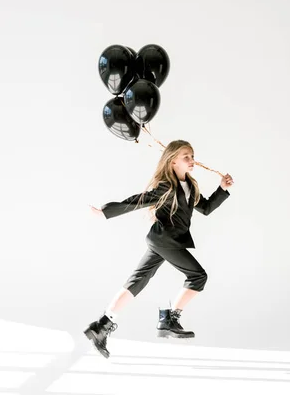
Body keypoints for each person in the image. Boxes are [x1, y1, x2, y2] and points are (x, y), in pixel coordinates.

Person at [83, 139, 233, 358]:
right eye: (186, 157)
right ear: (173, 162)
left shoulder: (190, 186)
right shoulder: (166, 186)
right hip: (165, 240)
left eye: (192, 156)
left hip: (162, 241)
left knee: (137, 282)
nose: (192, 160)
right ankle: (169, 319)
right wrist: (106, 211)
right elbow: (139, 200)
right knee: (198, 276)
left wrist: (222, 189)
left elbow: (207, 208)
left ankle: (102, 325)